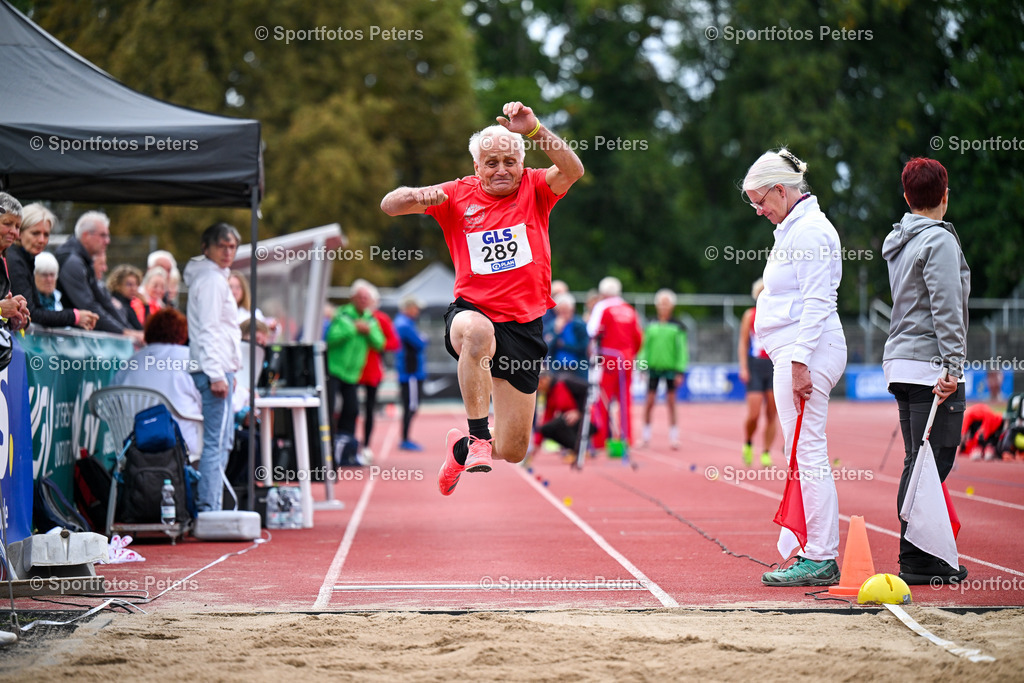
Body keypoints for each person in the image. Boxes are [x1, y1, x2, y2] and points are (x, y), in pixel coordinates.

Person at [381, 100, 584, 496]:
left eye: (509, 161)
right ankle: (476, 438)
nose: (501, 170)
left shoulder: (536, 187)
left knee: (512, 449)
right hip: (471, 313)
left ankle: (458, 449)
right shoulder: (456, 194)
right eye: (490, 162)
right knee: (477, 331)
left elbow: (574, 170)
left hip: (525, 326)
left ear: (522, 164)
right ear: (477, 168)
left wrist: (534, 130)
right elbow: (390, 205)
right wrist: (418, 196)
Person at [741, 148, 848, 587]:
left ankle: (821, 555)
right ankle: (812, 550)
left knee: (808, 453)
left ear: (780, 190)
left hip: (806, 352)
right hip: (796, 351)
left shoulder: (808, 233)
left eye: (759, 201)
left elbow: (818, 302)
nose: (758, 210)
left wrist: (800, 361)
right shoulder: (794, 228)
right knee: (801, 454)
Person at [882, 157, 970, 585]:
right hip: (930, 367)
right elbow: (946, 309)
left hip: (902, 362)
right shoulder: (939, 242)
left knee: (919, 459)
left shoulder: (900, 239)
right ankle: (916, 557)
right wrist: (953, 366)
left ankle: (919, 554)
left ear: (906, 196)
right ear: (945, 195)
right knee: (931, 461)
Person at [184, 222, 243, 513]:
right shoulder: (211, 280)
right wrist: (217, 373)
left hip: (217, 367)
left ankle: (211, 504)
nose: (228, 251)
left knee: (222, 441)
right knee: (216, 443)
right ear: (206, 248)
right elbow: (208, 330)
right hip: (212, 369)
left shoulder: (215, 277)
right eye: (222, 245)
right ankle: (209, 508)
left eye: (232, 246)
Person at [114, 308, 203, 459]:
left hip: (133, 442)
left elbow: (111, 400)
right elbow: (207, 399)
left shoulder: (132, 361)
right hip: (183, 443)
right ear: (182, 333)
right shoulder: (189, 358)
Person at [5, 203, 97, 330]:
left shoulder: (24, 258)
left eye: (46, 234)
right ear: (19, 232)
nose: (42, 240)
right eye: (35, 233)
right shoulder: (14, 260)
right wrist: (74, 316)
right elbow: (32, 313)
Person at [325, 279, 385, 465]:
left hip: (353, 374)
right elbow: (331, 338)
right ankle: (325, 449)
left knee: (351, 410)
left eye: (366, 297)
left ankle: (346, 450)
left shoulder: (371, 320)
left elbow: (380, 343)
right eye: (360, 297)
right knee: (328, 409)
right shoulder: (342, 316)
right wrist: (353, 328)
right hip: (334, 370)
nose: (363, 300)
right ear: (353, 298)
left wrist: (367, 331)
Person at [56, 211, 139, 340]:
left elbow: (103, 301)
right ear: (86, 236)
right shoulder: (73, 262)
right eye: (103, 235)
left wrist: (126, 330)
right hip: (65, 339)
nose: (107, 241)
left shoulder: (82, 260)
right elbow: (88, 305)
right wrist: (123, 333)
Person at [587, 276, 643, 451]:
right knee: (625, 401)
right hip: (626, 359)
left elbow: (592, 331)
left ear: (603, 292)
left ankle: (599, 441)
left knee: (602, 401)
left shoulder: (603, 307)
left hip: (609, 360)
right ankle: (627, 439)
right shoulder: (629, 309)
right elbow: (639, 337)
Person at [638, 288, 688, 450]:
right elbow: (644, 347)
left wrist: (680, 370)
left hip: (670, 369)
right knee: (650, 401)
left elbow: (682, 350)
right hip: (653, 367)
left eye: (666, 304)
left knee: (671, 402)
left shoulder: (678, 326)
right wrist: (642, 365)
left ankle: (674, 437)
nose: (663, 307)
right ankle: (645, 436)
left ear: (672, 306)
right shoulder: (650, 324)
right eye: (661, 304)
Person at [357, 283, 400, 462]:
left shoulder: (380, 319)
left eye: (369, 299)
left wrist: (376, 342)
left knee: (368, 410)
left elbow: (394, 343)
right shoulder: (349, 316)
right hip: (350, 370)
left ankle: (365, 446)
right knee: (348, 410)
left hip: (372, 371)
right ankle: (345, 445)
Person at [738, 278, 778, 467]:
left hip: (773, 365)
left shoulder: (778, 314)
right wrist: (744, 366)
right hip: (755, 365)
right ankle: (748, 442)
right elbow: (743, 342)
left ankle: (766, 452)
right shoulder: (750, 315)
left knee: (772, 412)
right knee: (754, 414)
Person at [394, 295, 428, 451]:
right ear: (408, 308)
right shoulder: (404, 325)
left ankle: (405, 438)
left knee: (410, 406)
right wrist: (423, 339)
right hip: (410, 372)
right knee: (411, 406)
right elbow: (420, 343)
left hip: (410, 371)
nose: (418, 311)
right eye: (416, 307)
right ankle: (405, 439)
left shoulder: (404, 323)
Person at [533, 371, 593, 460]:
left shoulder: (564, 382)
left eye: (539, 385)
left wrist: (579, 411)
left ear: (545, 380)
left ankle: (581, 450)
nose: (538, 389)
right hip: (571, 421)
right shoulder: (550, 394)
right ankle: (575, 449)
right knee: (548, 428)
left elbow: (588, 389)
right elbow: (546, 419)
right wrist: (536, 445)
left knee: (560, 422)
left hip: (588, 419)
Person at [0, 193, 31, 333]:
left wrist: (15, 314)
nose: (14, 232)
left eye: (18, 226)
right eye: (7, 224)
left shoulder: (4, 258)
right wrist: (1, 309)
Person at [546, 292, 588, 379]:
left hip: (577, 368)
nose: (563, 315)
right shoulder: (552, 326)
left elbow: (583, 347)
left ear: (572, 310)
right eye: (560, 312)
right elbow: (548, 347)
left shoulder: (579, 325)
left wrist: (563, 345)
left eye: (566, 311)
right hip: (557, 368)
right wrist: (556, 331)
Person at [106, 264, 146, 330]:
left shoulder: (127, 304)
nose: (133, 288)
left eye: (136, 284)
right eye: (129, 284)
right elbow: (138, 329)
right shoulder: (118, 305)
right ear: (117, 285)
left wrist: (146, 305)